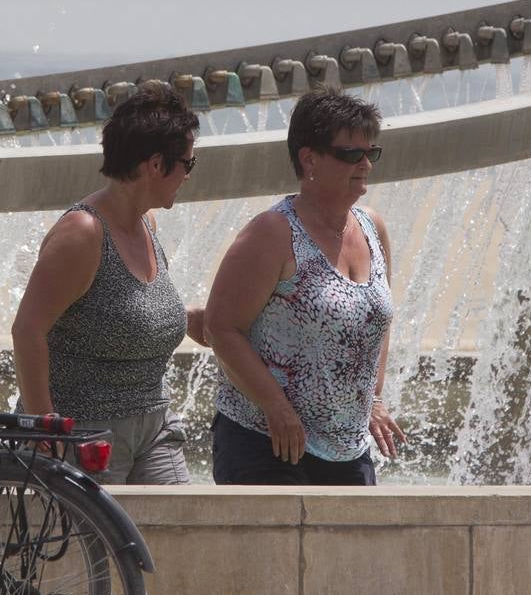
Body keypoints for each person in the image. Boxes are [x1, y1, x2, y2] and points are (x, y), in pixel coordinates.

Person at [204, 89, 405, 485]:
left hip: (348, 447)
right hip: (267, 443)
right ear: (309, 158)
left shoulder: (372, 227)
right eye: (351, 154)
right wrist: (275, 407)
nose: (365, 164)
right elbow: (221, 328)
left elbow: (377, 322)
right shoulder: (273, 232)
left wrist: (375, 399)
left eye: (371, 153)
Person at [11, 82, 206, 484]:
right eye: (188, 163)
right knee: (92, 549)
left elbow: (118, 310)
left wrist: (189, 319)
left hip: (155, 429)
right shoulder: (84, 233)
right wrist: (45, 426)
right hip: (87, 436)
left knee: (181, 536)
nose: (188, 174)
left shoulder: (146, 224)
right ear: (155, 165)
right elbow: (28, 329)